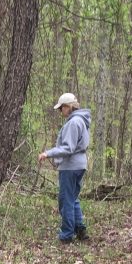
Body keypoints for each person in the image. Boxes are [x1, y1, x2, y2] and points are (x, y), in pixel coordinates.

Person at [38, 93, 92, 243]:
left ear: (68, 107)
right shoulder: (80, 121)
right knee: (72, 199)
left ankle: (67, 235)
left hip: (71, 167)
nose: (60, 111)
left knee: (66, 200)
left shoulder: (74, 123)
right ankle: (80, 229)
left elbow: (68, 148)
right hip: (79, 165)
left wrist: (48, 153)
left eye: (61, 108)